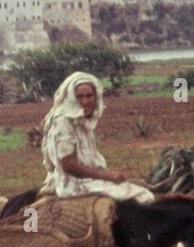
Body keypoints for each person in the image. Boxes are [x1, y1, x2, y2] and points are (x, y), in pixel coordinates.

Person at [39, 71, 154, 204]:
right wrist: (107, 175)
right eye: (80, 97)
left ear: (96, 96)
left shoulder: (82, 121)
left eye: (89, 96)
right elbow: (68, 165)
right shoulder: (63, 121)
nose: (85, 101)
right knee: (144, 196)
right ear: (72, 97)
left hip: (87, 180)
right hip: (73, 184)